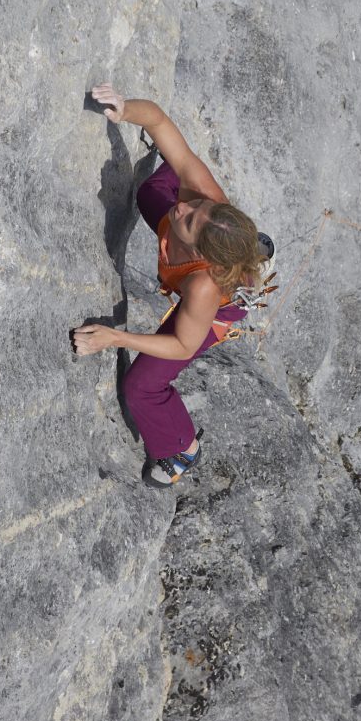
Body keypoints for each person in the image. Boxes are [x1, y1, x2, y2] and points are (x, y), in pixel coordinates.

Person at [73, 84, 268, 486]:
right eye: (199, 207)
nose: (186, 205)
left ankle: (180, 447)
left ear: (206, 251)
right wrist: (126, 110)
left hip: (215, 307)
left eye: (192, 219)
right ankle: (248, 243)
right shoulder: (201, 194)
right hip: (203, 252)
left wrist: (116, 338)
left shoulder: (204, 287)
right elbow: (160, 121)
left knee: (142, 386)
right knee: (151, 193)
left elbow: (182, 344)